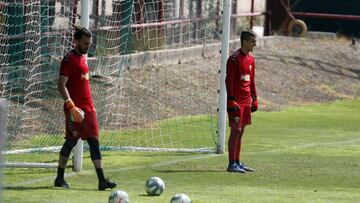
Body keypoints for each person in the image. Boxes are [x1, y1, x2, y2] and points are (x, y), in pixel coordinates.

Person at [54, 26, 117, 190]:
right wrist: (71, 105)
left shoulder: (83, 58)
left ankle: (102, 181)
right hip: (75, 110)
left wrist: (92, 107)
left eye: (89, 44)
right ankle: (60, 178)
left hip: (88, 110)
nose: (87, 46)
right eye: (84, 43)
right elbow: (61, 85)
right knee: (70, 142)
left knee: (94, 142)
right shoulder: (68, 60)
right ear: (76, 41)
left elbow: (84, 86)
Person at [225, 30, 258, 173]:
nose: (254, 44)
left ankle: (238, 162)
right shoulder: (234, 59)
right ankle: (231, 164)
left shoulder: (251, 60)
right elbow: (229, 80)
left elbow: (252, 81)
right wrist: (231, 100)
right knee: (236, 130)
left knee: (241, 131)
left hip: (246, 101)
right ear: (244, 41)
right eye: (252, 41)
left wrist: (254, 98)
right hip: (236, 101)